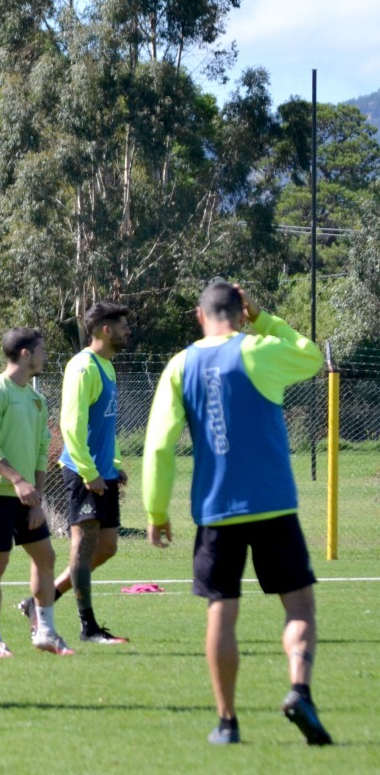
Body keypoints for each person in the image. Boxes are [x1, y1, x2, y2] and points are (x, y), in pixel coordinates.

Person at [143, 281, 331, 745]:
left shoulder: (179, 364)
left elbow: (159, 445)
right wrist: (264, 319)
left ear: (198, 315)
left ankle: (227, 723)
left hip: (216, 510)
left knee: (221, 613)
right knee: (299, 604)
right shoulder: (259, 349)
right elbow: (310, 357)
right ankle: (299, 690)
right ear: (240, 312)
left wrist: (156, 509)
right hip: (272, 504)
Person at [19, 302, 131, 644]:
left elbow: (105, 426)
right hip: (83, 473)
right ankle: (89, 628)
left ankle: (39, 600)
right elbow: (71, 425)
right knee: (82, 548)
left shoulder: (107, 366)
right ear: (105, 329)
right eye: (123, 325)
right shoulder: (83, 367)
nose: (128, 331)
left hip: (103, 471)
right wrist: (89, 470)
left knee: (108, 547)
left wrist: (115, 465)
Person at [0, 327, 73, 658]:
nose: (45, 356)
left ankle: (44, 631)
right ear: (26, 353)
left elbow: (43, 450)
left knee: (45, 557)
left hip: (27, 495)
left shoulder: (36, 399)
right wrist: (17, 481)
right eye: (42, 350)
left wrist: (36, 498)